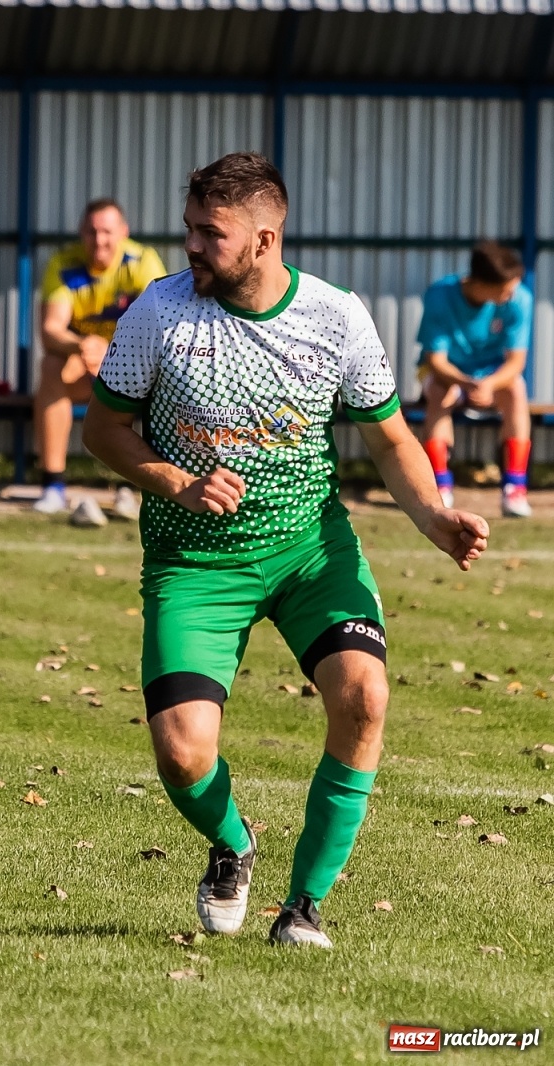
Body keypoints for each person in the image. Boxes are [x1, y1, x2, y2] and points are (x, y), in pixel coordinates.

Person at [84, 152, 490, 949]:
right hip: (195, 563)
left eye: (212, 233)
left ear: (266, 239)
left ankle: (303, 907)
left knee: (364, 698)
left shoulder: (337, 316)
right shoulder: (156, 315)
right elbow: (101, 430)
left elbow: (390, 438)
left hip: (309, 550)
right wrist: (175, 480)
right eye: (191, 228)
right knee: (180, 753)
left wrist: (434, 517)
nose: (192, 246)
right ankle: (233, 843)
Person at [34, 198, 166, 525]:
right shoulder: (65, 264)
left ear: (123, 232)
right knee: (51, 367)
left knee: (170, 375)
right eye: (92, 232)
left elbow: (163, 324)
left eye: (107, 232)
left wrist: (116, 349)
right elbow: (51, 330)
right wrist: (84, 345)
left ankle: (150, 485)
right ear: (81, 233)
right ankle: (53, 486)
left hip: (134, 365)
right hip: (84, 364)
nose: (100, 240)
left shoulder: (141, 261)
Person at [417, 242, 535, 517]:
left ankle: (515, 490)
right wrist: (464, 383)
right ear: (482, 283)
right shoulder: (440, 295)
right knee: (439, 392)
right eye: (506, 287)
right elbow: (435, 360)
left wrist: (489, 384)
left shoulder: (520, 299)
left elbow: (516, 362)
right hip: (446, 375)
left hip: (491, 377)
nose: (511, 292)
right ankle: (440, 485)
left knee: (517, 388)